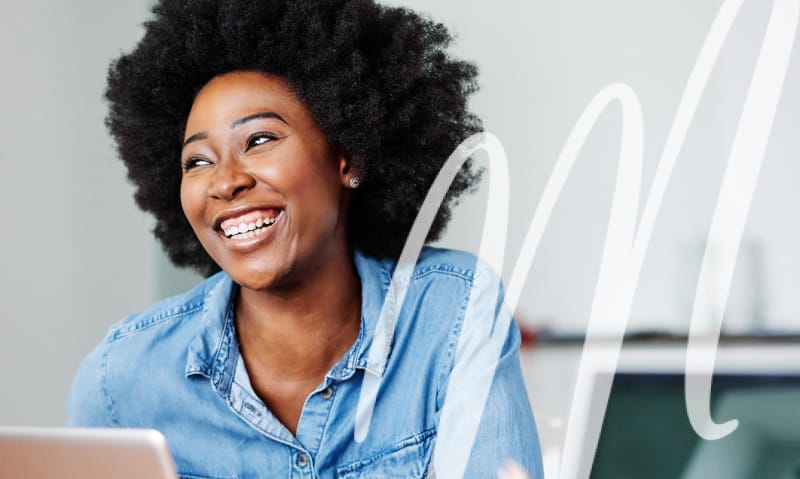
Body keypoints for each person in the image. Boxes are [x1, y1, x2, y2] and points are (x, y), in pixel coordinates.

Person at [68, 0, 544, 477]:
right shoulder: (120, 379)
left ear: (348, 157)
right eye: (197, 161)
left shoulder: (452, 312)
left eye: (259, 140)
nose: (225, 181)